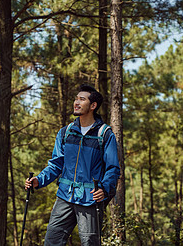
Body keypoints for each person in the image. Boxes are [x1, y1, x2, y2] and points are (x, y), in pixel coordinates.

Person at [25, 84, 120, 246]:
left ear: (93, 106)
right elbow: (56, 164)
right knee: (51, 242)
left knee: (90, 243)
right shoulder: (66, 132)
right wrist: (39, 180)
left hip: (90, 199)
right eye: (76, 98)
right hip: (65, 196)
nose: (76, 102)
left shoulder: (104, 134)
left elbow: (113, 168)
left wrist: (104, 188)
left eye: (82, 99)